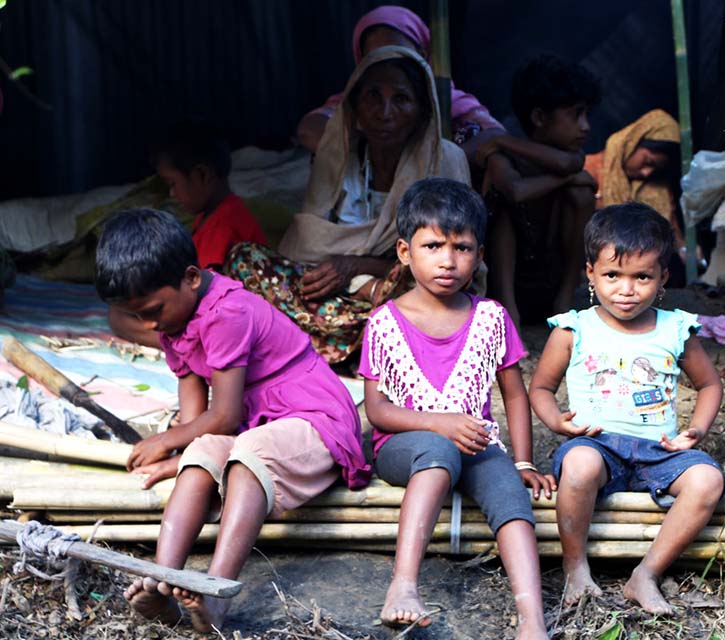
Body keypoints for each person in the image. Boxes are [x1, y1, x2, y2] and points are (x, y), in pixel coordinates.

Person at [95, 209, 370, 632]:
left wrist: (166, 439)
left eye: (152, 311)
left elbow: (223, 415)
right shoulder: (175, 319)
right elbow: (199, 420)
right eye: (139, 317)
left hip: (314, 419)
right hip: (256, 425)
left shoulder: (226, 311)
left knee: (247, 451)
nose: (150, 326)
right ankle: (163, 580)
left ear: (190, 278)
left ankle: (216, 594)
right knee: (204, 450)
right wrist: (183, 456)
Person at [360, 178, 552, 637]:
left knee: (507, 489)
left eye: (462, 248)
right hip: (405, 448)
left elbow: (514, 394)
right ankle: (404, 586)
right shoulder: (385, 322)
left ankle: (533, 620)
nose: (447, 260)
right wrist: (439, 425)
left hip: (474, 441)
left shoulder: (491, 317)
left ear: (479, 255)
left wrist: (522, 460)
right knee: (438, 450)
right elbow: (378, 412)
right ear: (405, 252)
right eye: (432, 246)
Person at [528, 203, 724, 615]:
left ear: (663, 277)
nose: (626, 289)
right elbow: (542, 387)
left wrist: (697, 429)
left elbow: (708, 385)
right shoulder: (573, 328)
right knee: (579, 467)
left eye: (642, 277)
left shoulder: (675, 329)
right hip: (597, 446)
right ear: (590, 273)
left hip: (659, 452)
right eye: (612, 275)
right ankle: (575, 566)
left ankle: (646, 574)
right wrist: (556, 422)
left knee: (707, 480)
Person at [228, 46, 470, 364]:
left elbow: (451, 256)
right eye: (372, 96)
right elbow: (309, 241)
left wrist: (354, 266)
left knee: (420, 280)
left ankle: (308, 338)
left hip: (397, 294)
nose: (384, 112)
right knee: (244, 258)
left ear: (422, 111)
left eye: (400, 99)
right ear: (353, 106)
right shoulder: (338, 158)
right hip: (339, 294)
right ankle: (360, 342)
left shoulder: (444, 160)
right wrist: (329, 275)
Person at [108, 122, 266, 348]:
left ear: (201, 175)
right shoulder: (211, 216)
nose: (171, 193)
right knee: (123, 308)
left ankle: (187, 347)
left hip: (230, 320)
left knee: (119, 317)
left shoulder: (223, 224)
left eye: (173, 184)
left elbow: (204, 294)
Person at [295, 5, 503, 168]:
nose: (389, 66)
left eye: (398, 54)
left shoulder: (446, 98)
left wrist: (439, 164)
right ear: (362, 62)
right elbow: (309, 128)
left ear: (421, 55)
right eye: (378, 57)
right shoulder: (358, 99)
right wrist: (374, 150)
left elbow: (495, 133)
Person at [482, 55, 601, 326]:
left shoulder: (571, 160)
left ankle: (564, 300)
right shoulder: (504, 158)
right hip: (507, 284)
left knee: (581, 196)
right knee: (504, 209)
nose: (586, 126)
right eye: (575, 115)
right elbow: (516, 191)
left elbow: (571, 163)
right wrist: (566, 178)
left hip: (550, 280)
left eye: (586, 114)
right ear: (538, 117)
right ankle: (509, 311)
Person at [583, 109, 694, 276]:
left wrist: (687, 250)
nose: (647, 173)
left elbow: (671, 227)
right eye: (647, 162)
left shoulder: (656, 188)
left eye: (654, 169)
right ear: (631, 142)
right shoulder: (589, 169)